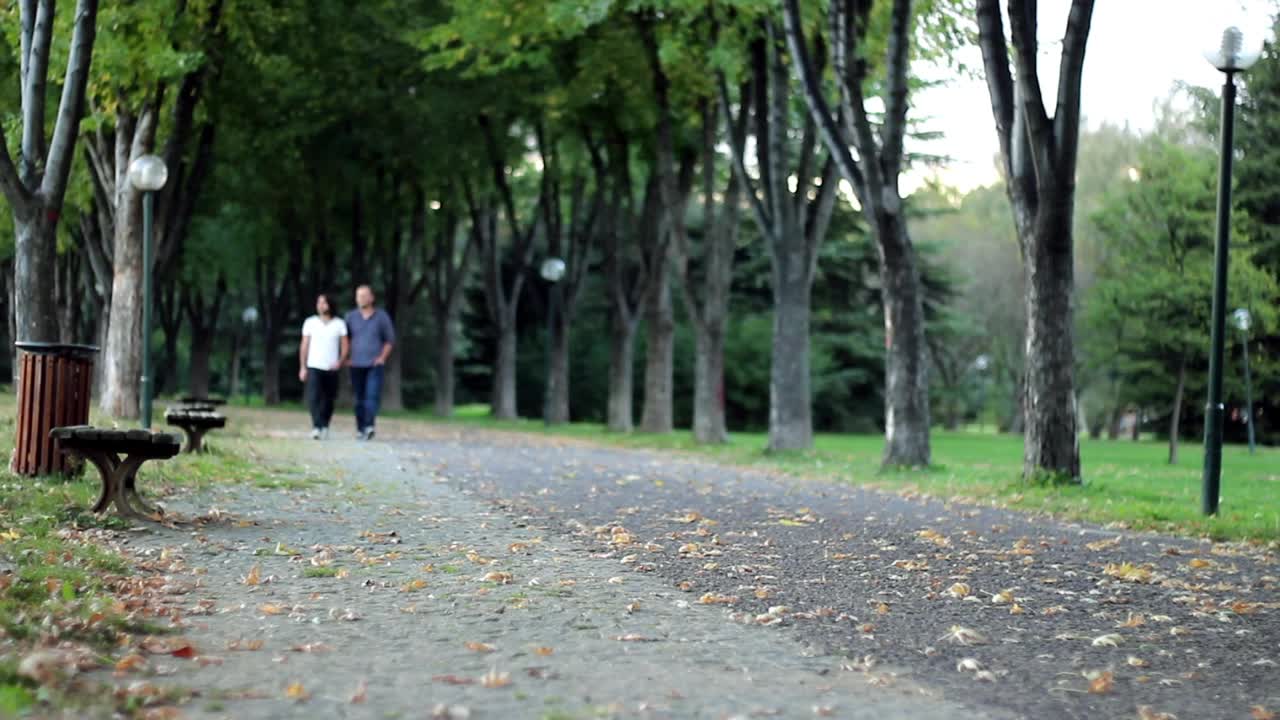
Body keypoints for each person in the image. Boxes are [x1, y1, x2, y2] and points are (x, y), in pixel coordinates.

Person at [345, 284, 395, 440]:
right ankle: (360, 428)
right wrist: (346, 358)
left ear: (372, 298)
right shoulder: (350, 317)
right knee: (359, 398)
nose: (361, 298)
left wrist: (382, 358)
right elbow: (344, 339)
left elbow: (390, 340)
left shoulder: (381, 317)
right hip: (356, 364)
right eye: (358, 295)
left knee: (371, 396)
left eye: (364, 295)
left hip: (374, 365)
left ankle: (369, 426)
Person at [299, 293, 349, 439]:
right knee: (313, 397)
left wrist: (340, 362)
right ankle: (316, 426)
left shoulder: (339, 324)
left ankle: (325, 425)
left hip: (331, 367)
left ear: (330, 305)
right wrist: (302, 366)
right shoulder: (310, 322)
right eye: (319, 302)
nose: (321, 305)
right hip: (314, 365)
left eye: (324, 303)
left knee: (329, 398)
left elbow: (345, 345)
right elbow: (304, 345)